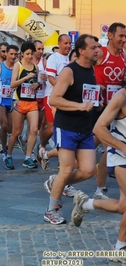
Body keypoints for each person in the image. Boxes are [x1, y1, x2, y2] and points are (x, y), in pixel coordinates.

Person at [43, 34, 99, 225]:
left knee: (88, 170)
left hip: (85, 128)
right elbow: (54, 99)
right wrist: (80, 106)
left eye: (97, 47)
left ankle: (55, 182)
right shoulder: (69, 71)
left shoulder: (94, 71)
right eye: (93, 47)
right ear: (81, 51)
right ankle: (51, 210)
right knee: (66, 169)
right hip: (66, 126)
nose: (97, 50)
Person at [72, 78, 126, 263]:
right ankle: (120, 248)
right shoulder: (121, 97)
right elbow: (99, 128)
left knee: (123, 207)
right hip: (121, 156)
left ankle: (85, 204)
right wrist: (123, 147)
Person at [92, 22, 126, 200]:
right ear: (110, 35)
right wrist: (94, 85)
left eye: (125, 36)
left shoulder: (124, 57)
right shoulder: (100, 54)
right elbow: (79, 69)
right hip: (97, 109)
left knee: (96, 148)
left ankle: (100, 189)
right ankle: (62, 179)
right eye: (121, 36)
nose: (123, 39)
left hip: (114, 112)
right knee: (90, 149)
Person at [5, 41, 40, 169]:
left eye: (32, 53)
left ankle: (28, 157)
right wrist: (25, 78)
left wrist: (37, 84)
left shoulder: (36, 67)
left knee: (34, 129)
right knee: (16, 132)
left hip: (32, 102)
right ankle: (8, 155)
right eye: (27, 54)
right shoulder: (18, 66)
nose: (30, 56)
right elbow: (13, 84)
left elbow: (37, 83)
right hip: (19, 102)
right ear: (23, 54)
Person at [0, 44, 19, 164]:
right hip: (0, 100)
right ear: (6, 53)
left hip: (12, 100)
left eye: (15, 54)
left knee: (11, 128)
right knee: (5, 124)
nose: (13, 56)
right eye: (11, 54)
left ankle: (2, 137)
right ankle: (4, 148)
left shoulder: (18, 67)